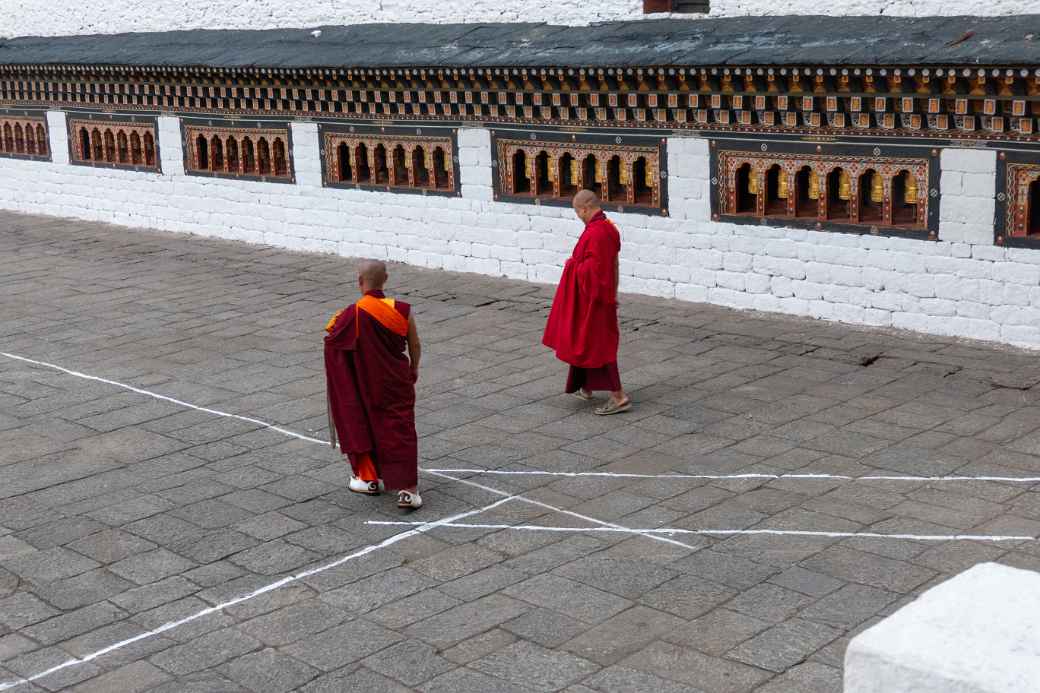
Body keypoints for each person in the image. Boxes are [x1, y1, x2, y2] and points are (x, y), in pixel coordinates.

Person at [324, 260, 423, 509]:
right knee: (400, 430)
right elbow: (415, 345)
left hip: (365, 384)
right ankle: (408, 490)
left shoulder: (351, 314)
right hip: (396, 382)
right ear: (385, 279)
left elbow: (333, 341)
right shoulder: (401, 310)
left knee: (363, 423)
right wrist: (414, 368)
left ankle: (368, 478)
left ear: (359, 281)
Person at [543, 190, 631, 415]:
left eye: (577, 212)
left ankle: (619, 397)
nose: (578, 216)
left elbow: (593, 271)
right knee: (583, 339)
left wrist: (572, 265)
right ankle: (585, 385)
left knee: (600, 345)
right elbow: (613, 266)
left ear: (585, 208)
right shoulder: (609, 228)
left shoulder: (596, 233)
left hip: (594, 299)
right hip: (602, 295)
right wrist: (614, 291)